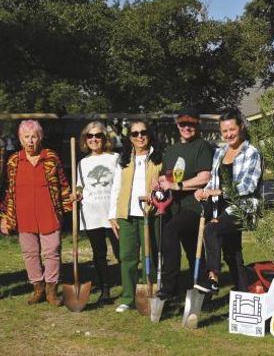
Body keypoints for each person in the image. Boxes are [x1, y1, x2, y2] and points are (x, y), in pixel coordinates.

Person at [0, 120, 71, 306]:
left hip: (48, 213)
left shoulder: (50, 157)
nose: (30, 141)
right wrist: (5, 217)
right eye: (26, 137)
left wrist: (69, 203)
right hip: (24, 215)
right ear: (20, 139)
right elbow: (8, 191)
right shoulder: (14, 161)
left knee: (52, 252)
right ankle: (38, 288)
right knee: (30, 253)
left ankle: (51, 291)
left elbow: (62, 183)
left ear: (40, 138)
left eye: (34, 136)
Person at [194, 108, 262, 293]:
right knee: (232, 253)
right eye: (224, 131)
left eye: (232, 129)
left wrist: (216, 191)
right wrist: (203, 191)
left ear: (240, 127)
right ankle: (243, 293)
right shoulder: (220, 152)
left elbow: (248, 186)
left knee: (211, 230)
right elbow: (214, 181)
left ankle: (212, 277)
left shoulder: (251, 152)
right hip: (221, 208)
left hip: (242, 207)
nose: (229, 134)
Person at [157, 107, 213, 299]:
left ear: (197, 125)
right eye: (183, 123)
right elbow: (165, 178)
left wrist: (178, 185)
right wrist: (158, 186)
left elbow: (204, 177)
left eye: (191, 124)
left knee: (171, 231)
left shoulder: (202, 146)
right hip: (174, 207)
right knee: (191, 248)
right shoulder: (171, 150)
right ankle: (204, 286)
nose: (186, 127)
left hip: (196, 207)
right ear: (177, 124)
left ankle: (168, 287)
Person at [109, 120, 162, 313]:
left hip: (151, 213)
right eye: (135, 134)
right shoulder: (124, 159)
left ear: (149, 134)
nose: (140, 137)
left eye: (143, 132)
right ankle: (128, 297)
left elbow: (165, 185)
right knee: (127, 256)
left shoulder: (158, 157)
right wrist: (112, 215)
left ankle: (153, 293)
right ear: (130, 138)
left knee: (150, 255)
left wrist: (157, 196)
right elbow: (116, 187)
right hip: (127, 214)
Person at [75, 121, 120, 304]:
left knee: (121, 252)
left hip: (112, 214)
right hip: (91, 213)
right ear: (85, 140)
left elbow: (119, 186)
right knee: (99, 253)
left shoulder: (114, 158)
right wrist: (76, 192)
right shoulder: (82, 162)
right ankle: (105, 290)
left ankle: (131, 287)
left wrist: (116, 212)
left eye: (98, 135)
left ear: (105, 138)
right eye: (90, 136)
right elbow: (79, 185)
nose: (94, 139)